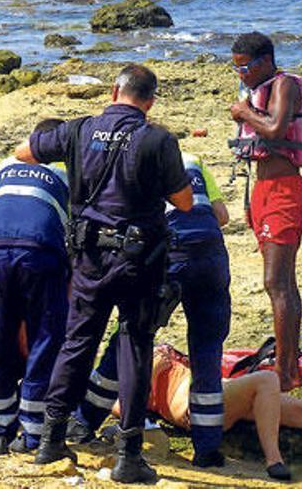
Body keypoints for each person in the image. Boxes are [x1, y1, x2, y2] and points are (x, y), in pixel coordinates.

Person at [13, 63, 193, 483]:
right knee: (134, 347)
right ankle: (128, 455)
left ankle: (51, 438)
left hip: (89, 257)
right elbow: (184, 202)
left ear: (115, 91)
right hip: (138, 260)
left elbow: (24, 151)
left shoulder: (79, 130)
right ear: (149, 101)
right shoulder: (158, 139)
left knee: (77, 342)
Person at [71, 152, 231, 468]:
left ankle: (84, 421)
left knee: (130, 338)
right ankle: (208, 448)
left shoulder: (133, 162)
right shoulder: (194, 160)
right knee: (208, 351)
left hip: (170, 253)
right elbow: (221, 215)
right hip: (211, 256)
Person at [119, 344, 302, 481]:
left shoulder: (143, 349)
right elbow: (122, 405)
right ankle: (275, 461)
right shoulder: (134, 362)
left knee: (301, 409)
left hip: (218, 395)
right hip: (192, 406)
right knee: (267, 381)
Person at [0, 119, 70, 455]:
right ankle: (33, 433)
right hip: (40, 253)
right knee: (45, 338)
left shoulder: (2, 168)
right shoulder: (67, 174)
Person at [228, 32, 302, 392]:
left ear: (265, 61)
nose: (241, 75)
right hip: (262, 191)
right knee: (281, 283)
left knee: (276, 282)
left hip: (285, 193)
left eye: (245, 67)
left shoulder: (285, 85)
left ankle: (284, 372)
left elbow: (277, 128)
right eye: (235, 68)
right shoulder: (255, 87)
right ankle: (288, 363)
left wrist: (245, 112)